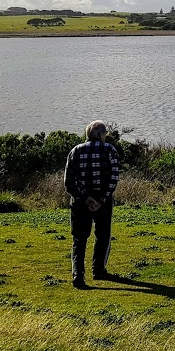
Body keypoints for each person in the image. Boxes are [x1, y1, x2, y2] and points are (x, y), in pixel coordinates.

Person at [64, 120, 121, 289]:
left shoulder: (75, 151)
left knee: (79, 239)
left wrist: (85, 198)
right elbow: (113, 179)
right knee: (103, 236)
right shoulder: (110, 150)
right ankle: (98, 270)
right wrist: (101, 199)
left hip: (80, 202)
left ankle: (78, 275)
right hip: (103, 201)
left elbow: (68, 182)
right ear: (101, 135)